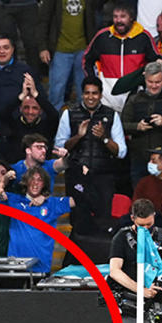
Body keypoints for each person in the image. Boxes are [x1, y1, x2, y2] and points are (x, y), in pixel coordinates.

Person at [55, 76, 126, 233]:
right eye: (87, 93)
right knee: (78, 222)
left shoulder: (112, 115)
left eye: (94, 93)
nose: (90, 97)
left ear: (101, 95)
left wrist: (105, 138)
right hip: (76, 176)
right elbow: (60, 147)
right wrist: (78, 137)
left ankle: (99, 256)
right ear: (82, 94)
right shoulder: (69, 114)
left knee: (104, 221)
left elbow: (121, 151)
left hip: (103, 177)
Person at [82, 0, 161, 112]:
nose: (118, 20)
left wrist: (144, 83)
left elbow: (156, 60)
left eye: (123, 16)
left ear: (132, 18)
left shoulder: (144, 36)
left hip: (135, 95)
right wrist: (93, 81)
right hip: (107, 96)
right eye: (115, 17)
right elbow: (87, 60)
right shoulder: (102, 36)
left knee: (132, 128)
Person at [0, 166, 74, 273]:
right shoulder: (15, 200)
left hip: (41, 268)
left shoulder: (52, 204)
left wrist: (46, 197)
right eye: (32, 179)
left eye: (39, 180)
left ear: (44, 184)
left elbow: (77, 199)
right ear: (26, 182)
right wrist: (5, 178)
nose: (35, 183)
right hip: (16, 267)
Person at [36, 0, 96, 111]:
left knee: (85, 93)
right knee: (56, 93)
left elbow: (91, 21)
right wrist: (43, 47)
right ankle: (54, 126)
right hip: (59, 50)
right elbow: (43, 21)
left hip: (83, 50)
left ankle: (85, 124)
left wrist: (92, 47)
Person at [120, 61, 162, 190]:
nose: (154, 86)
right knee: (140, 198)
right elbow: (121, 125)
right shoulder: (134, 99)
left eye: (158, 82)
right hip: (139, 158)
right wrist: (137, 126)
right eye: (150, 82)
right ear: (145, 79)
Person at [0, 74, 59, 164]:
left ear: (41, 111)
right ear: (20, 109)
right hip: (17, 170)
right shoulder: (14, 124)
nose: (30, 112)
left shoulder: (46, 126)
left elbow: (54, 115)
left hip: (41, 170)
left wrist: (36, 94)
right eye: (26, 107)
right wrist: (22, 95)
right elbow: (3, 114)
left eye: (35, 108)